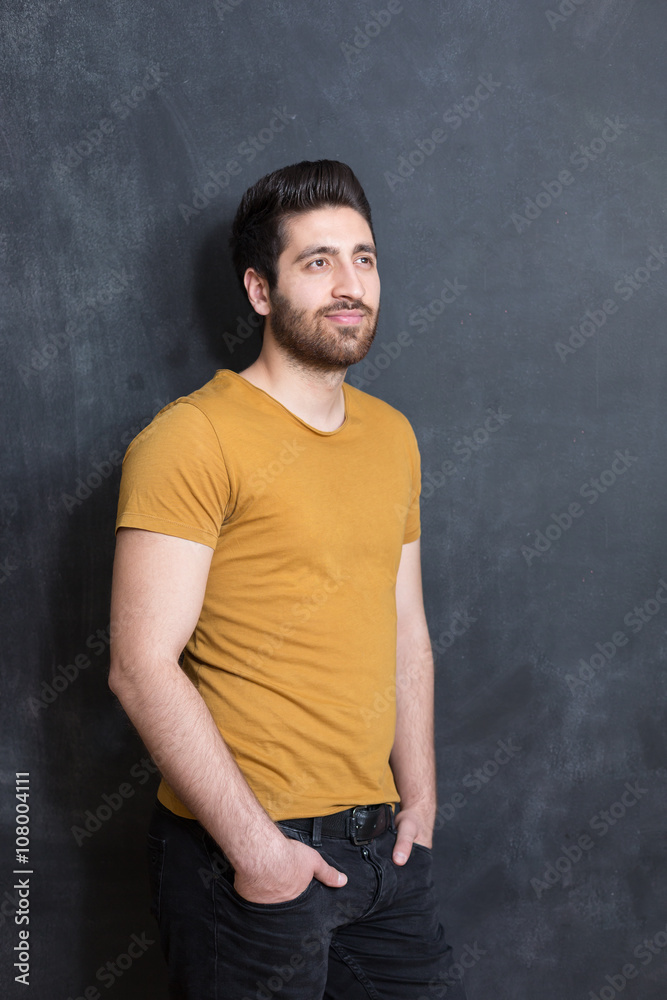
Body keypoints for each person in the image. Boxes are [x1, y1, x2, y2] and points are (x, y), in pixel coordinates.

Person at [109, 159, 467, 999]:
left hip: (384, 849)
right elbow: (139, 665)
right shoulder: (193, 438)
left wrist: (418, 800)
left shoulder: (392, 436)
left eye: (363, 258)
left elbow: (403, 626)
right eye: (317, 262)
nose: (350, 285)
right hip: (249, 858)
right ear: (260, 291)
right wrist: (256, 851)